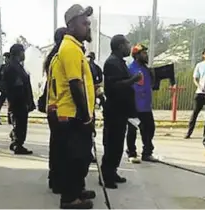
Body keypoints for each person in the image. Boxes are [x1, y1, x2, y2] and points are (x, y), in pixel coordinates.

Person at [50, 4, 96, 209]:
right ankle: (69, 198)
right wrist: (86, 117)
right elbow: (75, 84)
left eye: (88, 23)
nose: (88, 26)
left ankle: (77, 190)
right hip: (72, 114)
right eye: (84, 23)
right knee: (75, 158)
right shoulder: (68, 48)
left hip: (77, 114)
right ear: (71, 26)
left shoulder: (75, 48)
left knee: (81, 156)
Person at [100, 34, 142, 189]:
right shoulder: (111, 63)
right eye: (127, 43)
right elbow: (114, 86)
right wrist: (133, 79)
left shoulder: (120, 62)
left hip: (121, 111)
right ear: (120, 46)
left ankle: (113, 172)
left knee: (118, 145)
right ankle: (106, 176)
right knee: (111, 144)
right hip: (114, 111)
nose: (129, 46)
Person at [41, 27, 67, 193]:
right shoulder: (61, 57)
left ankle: (54, 178)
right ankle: (58, 181)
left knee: (56, 144)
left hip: (52, 107)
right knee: (62, 147)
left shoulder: (52, 56)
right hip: (59, 107)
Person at [125, 44, 158, 163]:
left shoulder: (146, 69)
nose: (146, 55)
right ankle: (131, 153)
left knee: (150, 128)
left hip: (146, 105)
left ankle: (147, 152)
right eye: (143, 53)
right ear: (136, 55)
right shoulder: (130, 69)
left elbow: (152, 85)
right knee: (133, 129)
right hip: (134, 105)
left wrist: (154, 77)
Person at [3, 44, 35, 154]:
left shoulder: (16, 65)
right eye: (23, 52)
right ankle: (17, 144)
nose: (24, 54)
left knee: (20, 123)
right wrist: (24, 100)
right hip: (18, 101)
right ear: (18, 53)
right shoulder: (13, 67)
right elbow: (17, 85)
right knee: (20, 123)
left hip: (19, 101)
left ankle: (16, 141)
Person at [185, 47, 205, 139]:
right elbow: (195, 78)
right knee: (195, 113)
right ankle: (189, 133)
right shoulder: (199, 65)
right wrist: (199, 86)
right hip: (200, 92)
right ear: (203, 55)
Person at [0, 52, 11, 125]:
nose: (5, 60)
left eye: (6, 58)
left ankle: (10, 119)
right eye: (4, 58)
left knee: (10, 105)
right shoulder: (2, 67)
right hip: (1, 89)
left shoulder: (11, 67)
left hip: (9, 89)